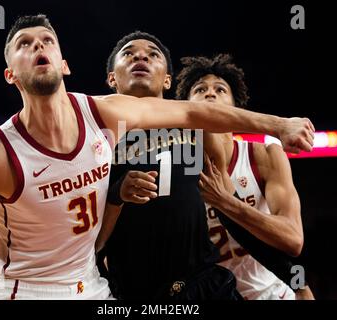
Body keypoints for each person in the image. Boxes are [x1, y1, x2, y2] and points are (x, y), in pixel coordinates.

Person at [0, 14, 314, 299]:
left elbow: (193, 115)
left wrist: (278, 126)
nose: (38, 47)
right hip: (83, 287)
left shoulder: (140, 120)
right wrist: (117, 193)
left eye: (47, 40)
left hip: (152, 284)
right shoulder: (5, 152)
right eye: (24, 43)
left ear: (64, 63)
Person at [95, 32, 314, 300]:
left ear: (167, 80)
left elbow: (235, 219)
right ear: (111, 78)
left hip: (207, 286)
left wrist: (296, 281)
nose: (141, 56)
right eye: (128, 53)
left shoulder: (199, 133)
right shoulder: (95, 135)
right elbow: (93, 243)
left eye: (153, 53)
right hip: (138, 290)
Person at [175, 53, 315, 299]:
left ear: (235, 109)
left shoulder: (263, 155)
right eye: (199, 89)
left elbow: (293, 239)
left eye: (220, 89)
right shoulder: (175, 169)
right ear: (185, 106)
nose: (210, 94)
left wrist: (226, 202)